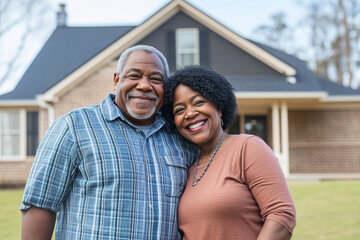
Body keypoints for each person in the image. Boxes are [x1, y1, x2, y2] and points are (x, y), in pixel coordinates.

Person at [20, 45, 198, 240]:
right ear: (116, 80)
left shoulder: (181, 140)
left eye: (156, 79)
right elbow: (40, 204)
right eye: (134, 76)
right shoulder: (74, 127)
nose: (145, 85)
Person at [162, 65, 296, 240]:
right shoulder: (187, 167)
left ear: (219, 107)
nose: (190, 113)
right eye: (179, 110)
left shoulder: (247, 147)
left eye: (199, 102)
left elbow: (281, 215)